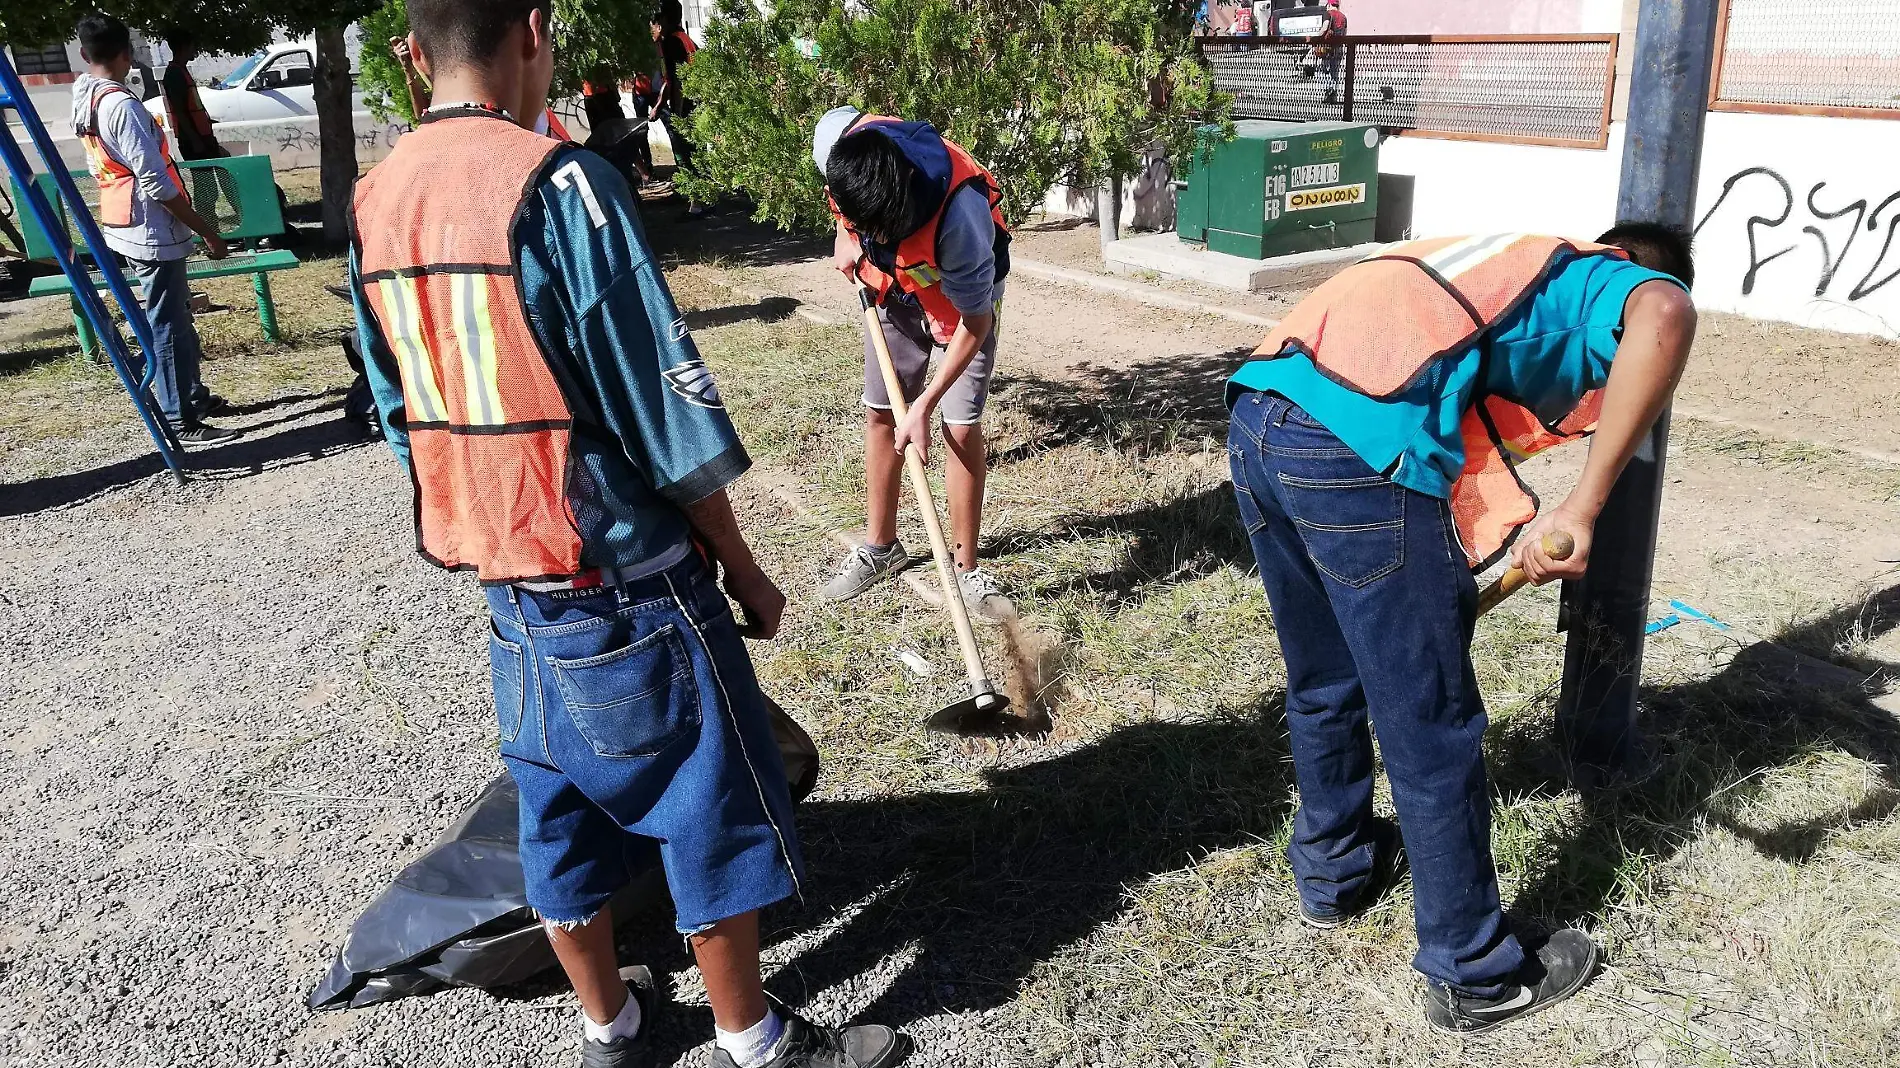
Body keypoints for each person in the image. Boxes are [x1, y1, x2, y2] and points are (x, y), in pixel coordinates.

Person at [347, 4, 903, 1067]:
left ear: (413, 56)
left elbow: (394, 410)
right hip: (625, 579)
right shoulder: (557, 185)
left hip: (508, 587)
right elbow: (665, 416)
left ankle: (612, 1026)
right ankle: (755, 1040)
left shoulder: (376, 200)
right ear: (534, 32)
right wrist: (744, 570)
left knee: (557, 812)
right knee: (708, 806)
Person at [1224, 227, 1698, 1034]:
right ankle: (1475, 973)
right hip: (1354, 443)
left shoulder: (1487, 261)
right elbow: (1666, 314)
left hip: (1263, 414)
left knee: (1326, 677)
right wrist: (1582, 508)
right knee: (1431, 722)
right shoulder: (1604, 279)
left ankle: (1334, 874)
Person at [810, 107, 1011, 617]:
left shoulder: (959, 219)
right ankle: (882, 547)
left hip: (960, 304)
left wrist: (925, 402)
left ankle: (966, 572)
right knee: (880, 411)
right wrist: (845, 239)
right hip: (895, 288)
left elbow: (976, 323)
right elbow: (839, 210)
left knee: (959, 425)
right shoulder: (843, 147)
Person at [72, 14, 235, 445]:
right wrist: (208, 230)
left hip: (126, 220)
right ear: (127, 53)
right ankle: (178, 413)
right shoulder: (121, 106)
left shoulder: (87, 99)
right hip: (150, 228)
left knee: (176, 316)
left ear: (85, 54)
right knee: (167, 323)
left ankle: (192, 397)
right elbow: (157, 183)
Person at [650, 2, 705, 215]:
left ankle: (696, 204)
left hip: (685, 106)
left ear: (665, 20)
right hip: (695, 103)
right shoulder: (687, 39)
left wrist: (672, 110)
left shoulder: (672, 42)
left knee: (687, 153)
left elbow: (674, 80)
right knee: (694, 153)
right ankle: (692, 194)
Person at [159, 33, 226, 161]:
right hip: (193, 140)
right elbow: (180, 110)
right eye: (192, 46)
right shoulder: (174, 74)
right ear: (184, 47)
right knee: (205, 179)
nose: (194, 50)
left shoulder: (181, 70)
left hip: (202, 135)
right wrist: (195, 140)